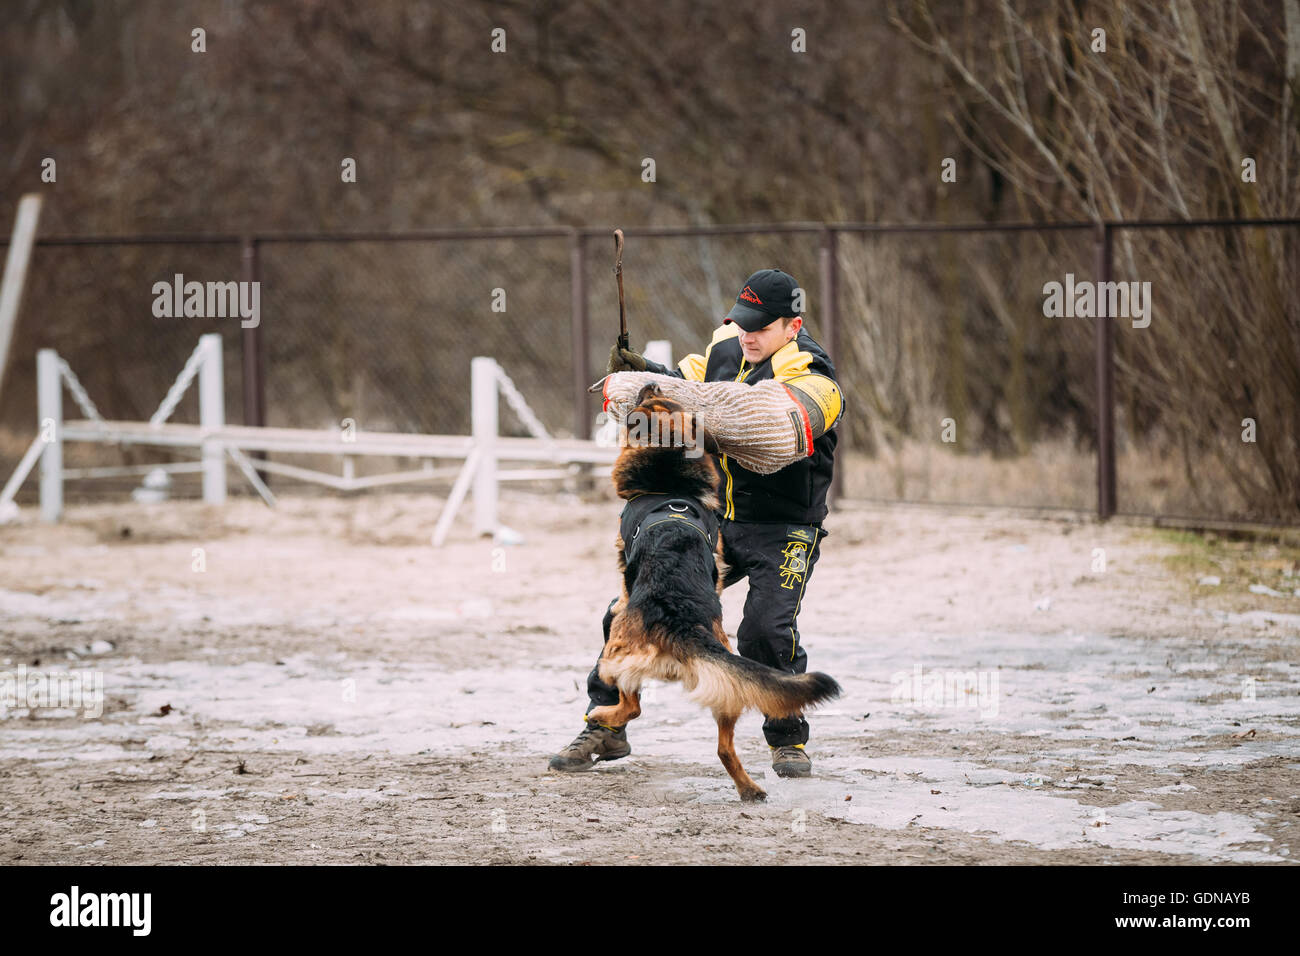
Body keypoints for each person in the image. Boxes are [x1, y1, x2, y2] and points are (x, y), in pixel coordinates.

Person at [549, 268, 843, 778]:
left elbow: (770, 421)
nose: (747, 335)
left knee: (765, 629)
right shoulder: (726, 347)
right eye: (742, 323)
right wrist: (642, 375)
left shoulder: (817, 377)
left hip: (787, 527)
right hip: (718, 520)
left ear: (792, 326)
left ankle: (787, 738)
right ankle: (606, 727)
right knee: (629, 608)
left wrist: (689, 405)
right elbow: (679, 385)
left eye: (762, 327)